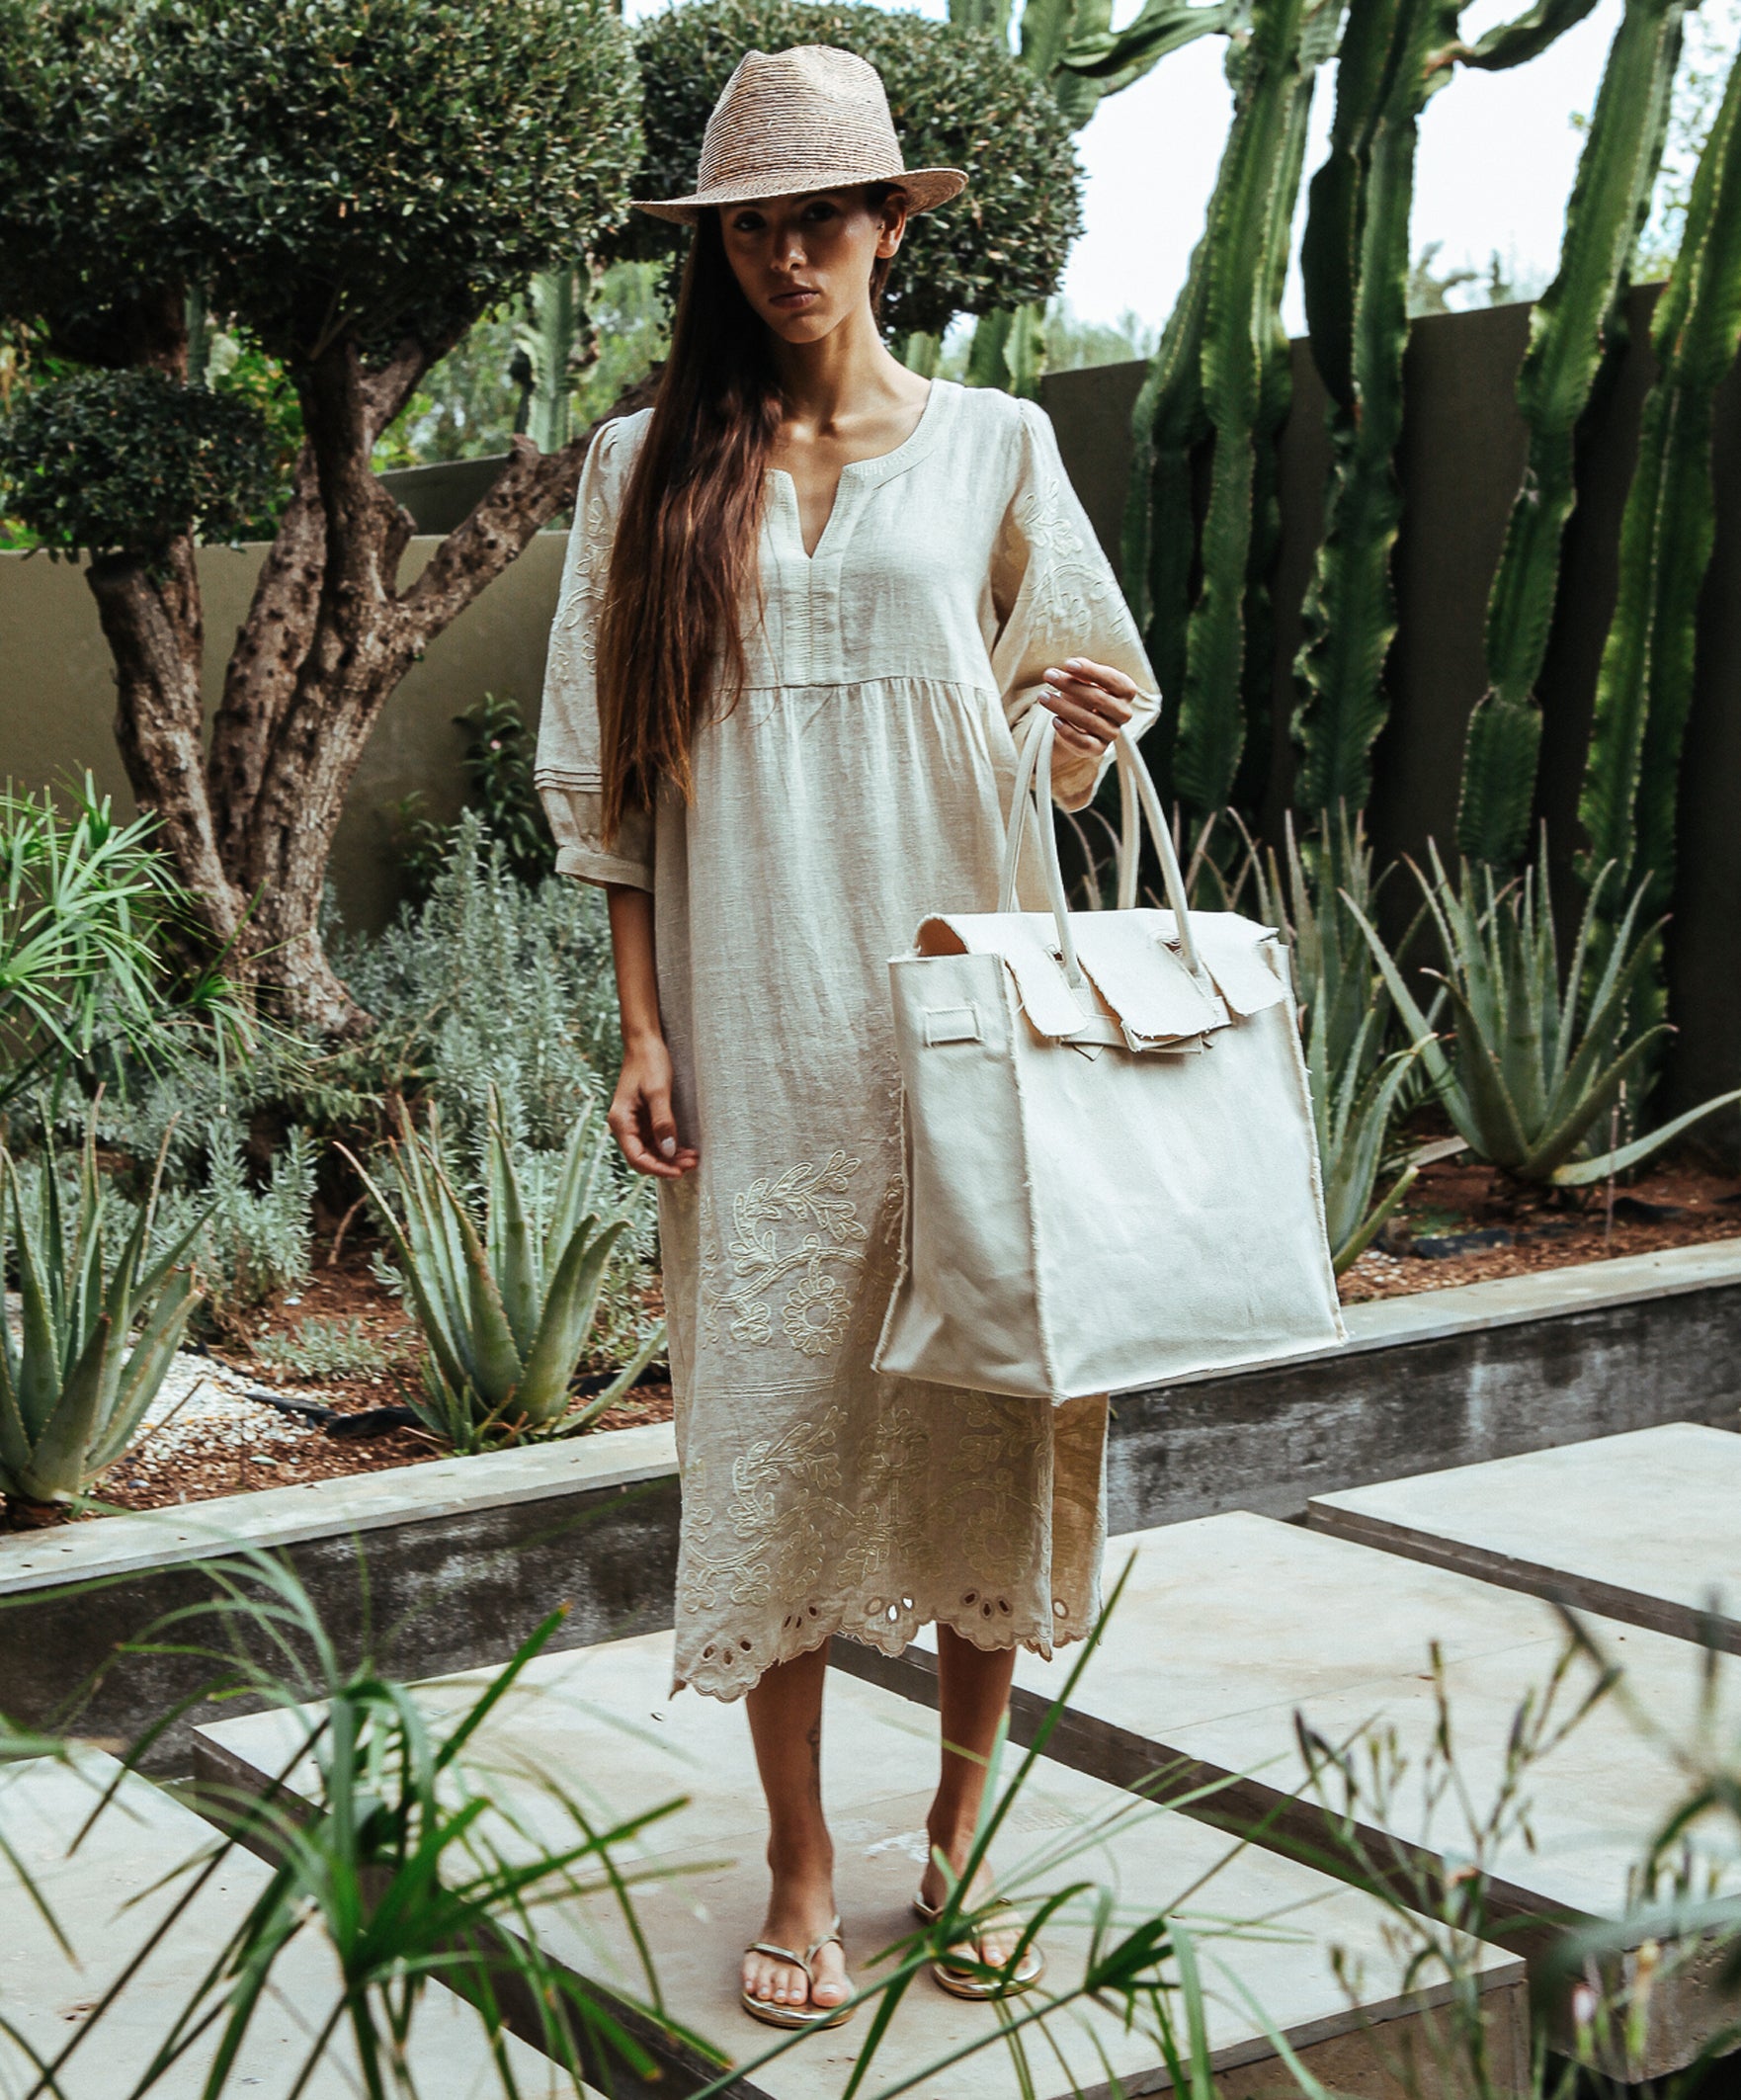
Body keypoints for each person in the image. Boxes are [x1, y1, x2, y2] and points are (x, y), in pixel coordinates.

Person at [535, 42, 1158, 2032]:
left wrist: (1079, 730)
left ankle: (957, 1838)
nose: (788, 253)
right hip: (756, 1031)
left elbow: (1071, 735)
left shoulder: (993, 448)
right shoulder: (641, 471)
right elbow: (613, 778)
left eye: (823, 215)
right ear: (713, 246)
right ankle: (803, 1853)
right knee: (779, 1419)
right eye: (750, 225)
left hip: (956, 1014)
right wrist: (637, 1026)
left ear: (894, 224)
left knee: (983, 1410)